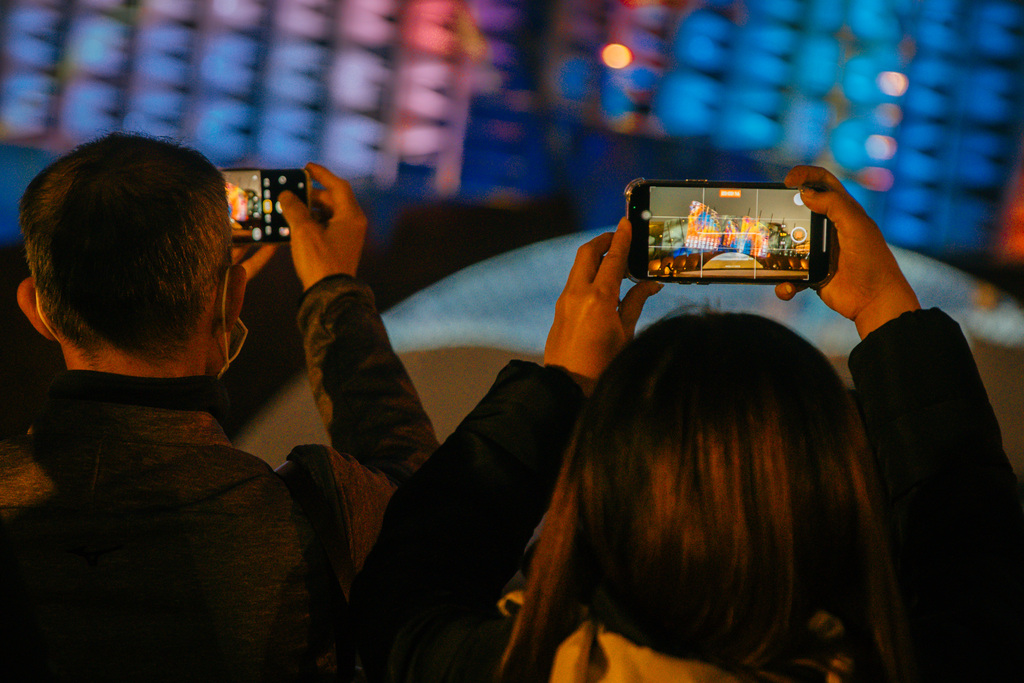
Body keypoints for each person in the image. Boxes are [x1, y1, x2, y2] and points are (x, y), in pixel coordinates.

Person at [350, 166, 1024, 681]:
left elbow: (411, 577)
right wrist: (884, 305)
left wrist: (562, 384)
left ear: (598, 496)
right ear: (840, 497)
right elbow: (974, 555)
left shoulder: (510, 667)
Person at [0, 133, 438, 680]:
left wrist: (211, 323)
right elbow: (431, 512)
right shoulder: (312, 516)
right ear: (233, 299)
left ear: (36, 308)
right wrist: (335, 295)